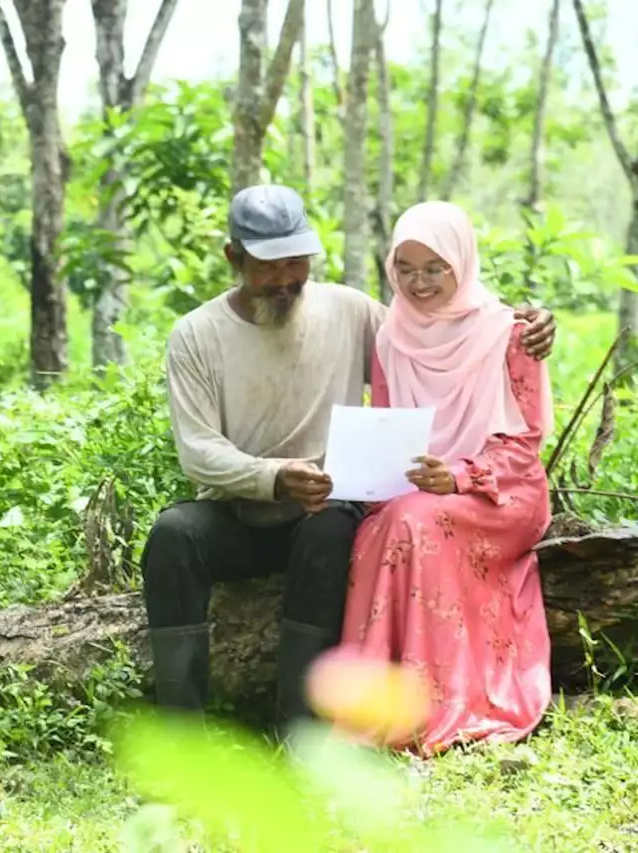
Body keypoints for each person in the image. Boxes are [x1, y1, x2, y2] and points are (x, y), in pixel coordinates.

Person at [141, 184, 556, 728]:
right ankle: (180, 729)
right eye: (269, 266)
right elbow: (199, 452)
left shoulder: (350, 312)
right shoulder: (195, 335)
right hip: (240, 508)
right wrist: (275, 477)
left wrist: (529, 325)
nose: (286, 278)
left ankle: (299, 727)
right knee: (172, 534)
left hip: (322, 512)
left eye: (298, 262)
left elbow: (438, 332)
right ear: (233, 258)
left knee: (332, 529)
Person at [335, 201, 553, 755]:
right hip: (418, 492)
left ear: (462, 262)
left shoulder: (509, 333)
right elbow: (391, 429)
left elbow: (523, 448)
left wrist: (456, 476)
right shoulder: (390, 339)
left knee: (415, 522)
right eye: (405, 268)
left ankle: (439, 704)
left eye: (434, 267)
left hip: (501, 492)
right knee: (378, 529)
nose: (419, 281)